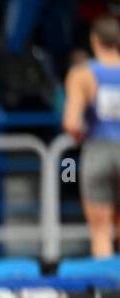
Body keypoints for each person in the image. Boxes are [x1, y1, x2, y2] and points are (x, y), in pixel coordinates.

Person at [63, 15, 120, 258]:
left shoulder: (82, 75)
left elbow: (71, 123)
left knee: (101, 231)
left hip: (98, 150)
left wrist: (79, 136)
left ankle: (107, 294)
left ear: (94, 40)